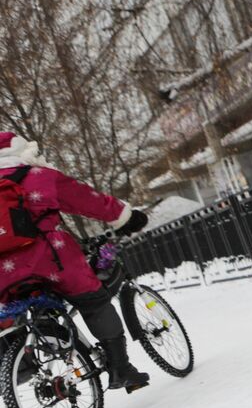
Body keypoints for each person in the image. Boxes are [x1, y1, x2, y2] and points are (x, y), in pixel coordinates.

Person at [0, 132, 150, 392]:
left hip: (4, 273)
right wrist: (126, 218)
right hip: (50, 260)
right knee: (94, 301)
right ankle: (121, 369)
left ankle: (19, 364)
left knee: (11, 312)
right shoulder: (38, 177)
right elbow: (88, 200)